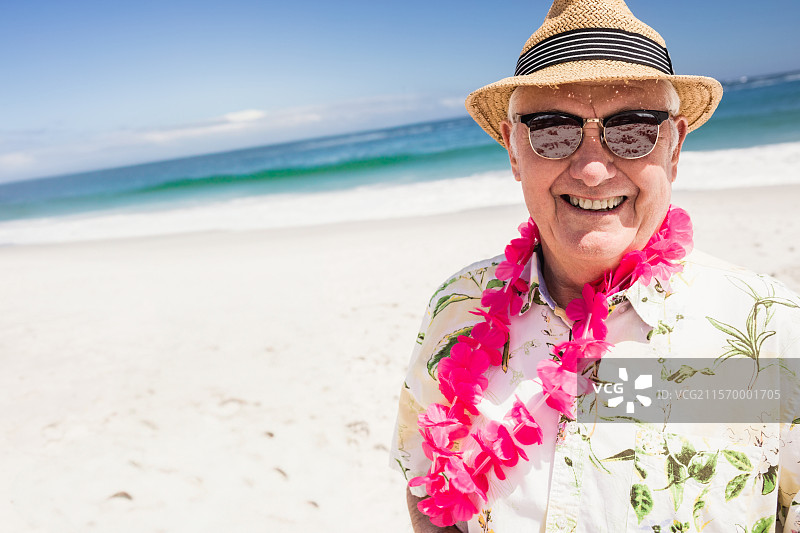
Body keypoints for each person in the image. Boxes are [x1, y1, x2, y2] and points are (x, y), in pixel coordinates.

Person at [390, 0, 800, 531]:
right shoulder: (456, 307)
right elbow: (427, 487)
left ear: (674, 147)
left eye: (632, 129)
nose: (591, 169)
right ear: (514, 151)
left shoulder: (772, 330)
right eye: (552, 130)